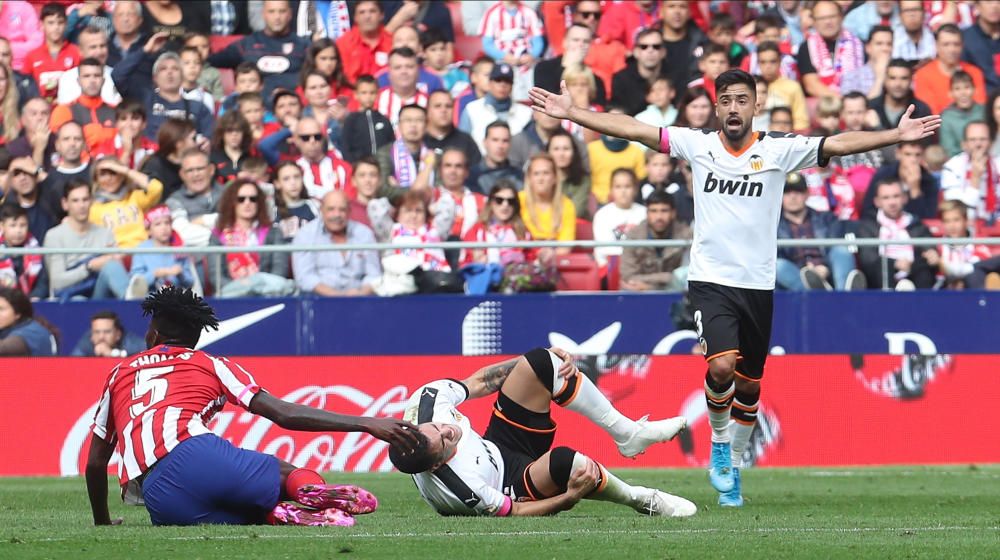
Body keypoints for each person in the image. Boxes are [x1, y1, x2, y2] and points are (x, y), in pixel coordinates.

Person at [529, 68, 941, 506]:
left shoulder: (780, 149)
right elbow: (635, 129)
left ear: (755, 106)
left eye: (741, 100)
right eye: (725, 100)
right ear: (717, 105)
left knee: (749, 386)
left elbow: (836, 144)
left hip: (758, 286)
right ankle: (720, 444)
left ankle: (735, 461)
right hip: (711, 281)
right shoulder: (699, 144)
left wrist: (894, 136)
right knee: (722, 366)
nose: (733, 108)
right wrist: (574, 113)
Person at [85, 285, 420, 526]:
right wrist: (367, 423)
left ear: (154, 333)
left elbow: (96, 463)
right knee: (282, 472)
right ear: (196, 337)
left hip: (159, 498)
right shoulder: (210, 364)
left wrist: (102, 522)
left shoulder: (119, 372)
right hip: (195, 454)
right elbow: (283, 414)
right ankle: (309, 491)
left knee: (245, 517)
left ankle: (276, 515)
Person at [387, 347, 695, 518]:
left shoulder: (427, 401)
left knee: (540, 362)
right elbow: (515, 511)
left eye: (439, 427)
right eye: (444, 442)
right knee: (569, 464)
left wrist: (545, 360)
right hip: (509, 482)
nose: (449, 430)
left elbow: (480, 381)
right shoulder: (459, 489)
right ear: (437, 464)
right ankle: (639, 499)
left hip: (496, 444)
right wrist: (568, 499)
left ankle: (628, 434)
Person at [207, 0, 310, 103]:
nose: (277, 17)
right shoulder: (246, 45)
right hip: (253, 109)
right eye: (271, 12)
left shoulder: (303, 46)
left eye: (282, 11)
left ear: (290, 14)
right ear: (263, 14)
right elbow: (211, 60)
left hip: (292, 106)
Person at [776, 172, 864, 292]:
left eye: (798, 192)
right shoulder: (773, 226)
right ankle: (815, 291)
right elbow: (776, 256)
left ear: (807, 194)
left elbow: (835, 245)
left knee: (842, 251)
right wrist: (806, 271)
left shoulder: (827, 219)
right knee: (778, 265)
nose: (793, 197)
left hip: (827, 270)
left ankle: (843, 295)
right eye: (787, 192)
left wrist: (824, 268)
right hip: (795, 274)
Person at [208, 180, 295, 298]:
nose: (247, 203)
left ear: (259, 203)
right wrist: (242, 288)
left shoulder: (274, 233)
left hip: (268, 295)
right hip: (231, 296)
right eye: (241, 199)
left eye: (253, 199)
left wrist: (257, 286)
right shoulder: (218, 235)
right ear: (232, 202)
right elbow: (216, 277)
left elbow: (279, 272)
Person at [113, 39, 214, 141]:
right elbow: (117, 75)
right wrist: (145, 50)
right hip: (149, 155)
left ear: (182, 76)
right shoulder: (144, 98)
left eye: (175, 68)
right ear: (155, 78)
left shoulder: (199, 108)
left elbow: (209, 139)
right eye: (163, 69)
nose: (169, 72)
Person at [43, 181, 129, 300]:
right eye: (75, 201)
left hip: (100, 292)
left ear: (92, 202)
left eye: (85, 199)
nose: (81, 205)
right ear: (65, 204)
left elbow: (115, 270)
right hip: (70, 296)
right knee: (78, 300)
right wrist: (89, 267)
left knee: (112, 266)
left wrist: (111, 260)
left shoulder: (106, 233)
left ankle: (134, 301)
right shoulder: (54, 236)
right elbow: (57, 282)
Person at [291, 190, 381, 296]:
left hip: (360, 299)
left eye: (342, 209)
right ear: (321, 210)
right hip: (318, 301)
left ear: (349, 211)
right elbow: (305, 278)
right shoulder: (305, 235)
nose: (337, 214)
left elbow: (374, 274)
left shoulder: (364, 233)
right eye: (331, 209)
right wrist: (337, 296)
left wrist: (360, 294)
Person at [857, 179, 938, 291]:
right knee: (881, 267)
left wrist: (931, 252)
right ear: (877, 202)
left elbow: (927, 244)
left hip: (913, 271)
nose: (892, 202)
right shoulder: (868, 226)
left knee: (923, 268)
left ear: (904, 198)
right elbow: (867, 258)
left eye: (896, 196)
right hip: (883, 275)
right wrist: (894, 263)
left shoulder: (914, 222)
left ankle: (923, 303)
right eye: (886, 198)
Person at [619, 190, 690, 292]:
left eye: (664, 211)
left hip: (676, 295)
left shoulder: (686, 235)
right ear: (647, 213)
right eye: (653, 211)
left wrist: (650, 287)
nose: (659, 217)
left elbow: (688, 276)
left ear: (673, 213)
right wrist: (667, 279)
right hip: (640, 293)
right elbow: (629, 277)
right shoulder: (633, 236)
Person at [88, 156, 163, 249]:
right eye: (103, 174)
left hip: (143, 251)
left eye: (113, 173)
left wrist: (125, 170)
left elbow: (156, 188)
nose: (108, 178)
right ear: (96, 180)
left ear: (122, 176)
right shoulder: (94, 209)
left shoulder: (135, 197)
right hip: (116, 255)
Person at [913, 24, 987, 116]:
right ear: (936, 46)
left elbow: (980, 109)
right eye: (946, 44)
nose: (952, 49)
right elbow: (929, 113)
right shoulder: (923, 75)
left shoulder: (975, 73)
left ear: (962, 46)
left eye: (956, 44)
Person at [460, 63, 532, 156]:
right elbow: (462, 146)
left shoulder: (525, 113)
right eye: (498, 80)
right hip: (478, 167)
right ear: (489, 82)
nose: (502, 85)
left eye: (507, 81)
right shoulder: (472, 109)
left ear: (512, 85)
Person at [460, 181, 535, 270]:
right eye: (499, 200)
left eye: (511, 201)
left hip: (515, 279)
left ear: (515, 205)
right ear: (491, 203)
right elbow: (463, 264)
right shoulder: (477, 230)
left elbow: (532, 260)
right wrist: (476, 263)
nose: (505, 205)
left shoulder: (523, 231)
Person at [49, 57, 118, 155]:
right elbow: (59, 149)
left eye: (97, 76)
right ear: (78, 81)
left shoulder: (116, 111)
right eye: (87, 76)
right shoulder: (63, 111)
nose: (92, 80)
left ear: (103, 80)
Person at [796, 0, 863, 98]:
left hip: (856, 104)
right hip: (824, 106)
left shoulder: (857, 44)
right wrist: (843, 101)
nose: (828, 22)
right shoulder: (806, 47)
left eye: (832, 17)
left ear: (841, 17)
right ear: (814, 22)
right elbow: (811, 85)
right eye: (822, 18)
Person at [534, 24, 608, 109]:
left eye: (586, 41)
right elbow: (545, 99)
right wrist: (568, 66)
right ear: (565, 42)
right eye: (575, 40)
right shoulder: (544, 68)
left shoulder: (595, 79)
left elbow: (599, 107)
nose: (581, 45)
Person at [128, 205, 197, 296]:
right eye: (158, 224)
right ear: (149, 230)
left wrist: (181, 274)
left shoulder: (179, 248)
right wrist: (154, 274)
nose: (164, 228)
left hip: (176, 298)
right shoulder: (142, 250)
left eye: (167, 223)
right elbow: (135, 283)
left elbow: (190, 283)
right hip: (149, 298)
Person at [863, 140, 940, 220]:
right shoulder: (883, 175)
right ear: (898, 154)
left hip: (912, 228)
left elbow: (928, 217)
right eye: (907, 154)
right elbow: (868, 209)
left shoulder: (929, 181)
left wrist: (915, 190)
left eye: (917, 155)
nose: (913, 160)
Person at [519, 153, 576, 260]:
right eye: (536, 174)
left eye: (546, 173)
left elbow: (566, 246)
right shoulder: (518, 200)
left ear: (554, 178)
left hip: (554, 258)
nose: (541, 179)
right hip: (524, 256)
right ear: (529, 178)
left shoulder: (567, 205)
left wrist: (551, 256)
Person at [941, 121, 1000, 223]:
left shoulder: (997, 164)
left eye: (983, 139)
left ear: (991, 142)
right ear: (964, 144)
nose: (978, 144)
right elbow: (955, 213)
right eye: (972, 140)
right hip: (965, 232)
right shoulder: (952, 167)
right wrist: (975, 179)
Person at [165, 149, 225, 247]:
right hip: (193, 260)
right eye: (190, 170)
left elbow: (240, 224)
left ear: (211, 170)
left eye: (200, 168)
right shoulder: (174, 201)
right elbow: (182, 234)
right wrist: (221, 235)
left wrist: (204, 220)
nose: (196, 174)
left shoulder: (229, 194)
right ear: (182, 174)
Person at [587, 107, 646, 206]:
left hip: (627, 203)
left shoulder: (636, 151)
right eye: (610, 118)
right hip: (597, 203)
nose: (614, 122)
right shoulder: (591, 149)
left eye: (619, 119)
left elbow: (639, 181)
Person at [24, 3, 80, 104]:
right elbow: (25, 86)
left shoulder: (76, 52)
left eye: (60, 22)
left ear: (66, 24)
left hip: (69, 108)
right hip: (40, 109)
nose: (56, 27)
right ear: (41, 25)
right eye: (51, 23)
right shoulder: (32, 56)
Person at [592, 168, 646, 268]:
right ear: (611, 190)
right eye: (618, 187)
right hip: (610, 267)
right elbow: (604, 250)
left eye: (627, 186)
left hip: (640, 267)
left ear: (635, 189)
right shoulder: (602, 215)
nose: (623, 191)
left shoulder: (645, 213)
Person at [56, 26, 121, 107]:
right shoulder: (68, 78)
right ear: (80, 51)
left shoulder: (118, 75)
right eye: (93, 47)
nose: (99, 51)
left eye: (102, 46)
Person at [933, 200, 993, 289]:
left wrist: (945, 267)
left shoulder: (978, 243)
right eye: (947, 221)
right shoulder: (938, 247)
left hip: (972, 290)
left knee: (975, 275)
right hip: (945, 292)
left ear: (966, 221)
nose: (952, 226)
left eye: (956, 220)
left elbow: (977, 267)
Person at [340, 75, 395, 164]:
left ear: (377, 94)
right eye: (364, 93)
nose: (368, 96)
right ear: (356, 95)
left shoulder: (384, 120)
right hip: (360, 167)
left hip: (383, 167)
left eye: (372, 92)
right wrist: (353, 166)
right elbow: (346, 147)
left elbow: (392, 144)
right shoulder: (351, 120)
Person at [1, 156, 57, 243]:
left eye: (27, 172)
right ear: (11, 181)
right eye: (16, 174)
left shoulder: (51, 201)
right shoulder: (5, 208)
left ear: (36, 176)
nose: (23, 178)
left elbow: (62, 191)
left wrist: (38, 170)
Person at [336, 0, 393, 84]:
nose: (367, 16)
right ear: (355, 17)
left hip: (386, 94)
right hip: (353, 94)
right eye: (362, 12)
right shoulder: (342, 44)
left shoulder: (393, 41)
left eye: (372, 11)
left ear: (381, 15)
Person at [140, 117, 196, 201]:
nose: (197, 143)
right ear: (179, 143)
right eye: (193, 139)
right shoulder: (155, 165)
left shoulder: (192, 162)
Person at [870, 59, 933, 132]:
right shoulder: (871, 107)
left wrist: (878, 127)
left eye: (904, 78)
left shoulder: (922, 110)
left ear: (911, 80)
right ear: (885, 80)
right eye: (892, 78)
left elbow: (927, 141)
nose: (898, 84)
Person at [0, 205, 48, 300]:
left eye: (23, 225)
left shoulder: (34, 248)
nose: (18, 231)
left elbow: (43, 280)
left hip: (31, 302)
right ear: (1, 226)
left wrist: (36, 296)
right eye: (13, 225)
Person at [423, 90, 481, 169]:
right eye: (437, 106)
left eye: (448, 106)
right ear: (428, 111)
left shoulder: (466, 141)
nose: (443, 110)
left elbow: (476, 172)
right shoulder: (419, 141)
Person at [547, 128, 592, 221]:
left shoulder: (583, 180)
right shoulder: (540, 178)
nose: (561, 154)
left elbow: (577, 211)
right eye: (556, 149)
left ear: (573, 152)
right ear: (548, 152)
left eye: (566, 149)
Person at [840, 25, 894, 101]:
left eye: (889, 44)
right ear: (868, 48)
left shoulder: (903, 74)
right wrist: (880, 78)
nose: (885, 48)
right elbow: (857, 110)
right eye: (879, 43)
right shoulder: (852, 77)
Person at [468, 122, 523, 194]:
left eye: (505, 141)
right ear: (485, 143)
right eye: (495, 140)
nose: (500, 146)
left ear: (510, 144)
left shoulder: (519, 176)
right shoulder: (470, 176)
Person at [940, 73, 986, 159]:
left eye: (967, 87)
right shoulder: (946, 117)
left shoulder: (985, 111)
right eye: (957, 89)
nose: (963, 93)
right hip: (959, 162)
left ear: (975, 90)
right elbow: (948, 149)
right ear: (950, 93)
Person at [271, 161, 319, 243]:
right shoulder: (272, 209)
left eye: (297, 177)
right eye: (286, 179)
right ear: (277, 183)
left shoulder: (314, 205)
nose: (293, 182)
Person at [0, 286, 55, 356]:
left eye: (1, 309)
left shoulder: (33, 332)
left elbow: (4, 348)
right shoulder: (7, 328)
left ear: (17, 313)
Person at [961, 0, 1000, 92]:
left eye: (998, 2)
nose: (994, 6)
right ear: (977, 6)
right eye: (988, 2)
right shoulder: (966, 38)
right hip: (978, 99)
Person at [70, 310, 145, 357]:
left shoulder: (130, 342)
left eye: (107, 332)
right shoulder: (87, 342)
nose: (101, 337)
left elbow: (146, 356)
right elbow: (73, 362)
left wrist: (113, 354)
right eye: (97, 332)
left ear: (118, 334)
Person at [210, 112, 254, 187]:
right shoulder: (212, 157)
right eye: (229, 130)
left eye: (238, 130)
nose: (234, 134)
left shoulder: (252, 156)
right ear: (222, 133)